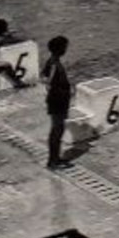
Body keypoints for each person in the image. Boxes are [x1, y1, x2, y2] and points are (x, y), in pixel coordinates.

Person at [42, 36, 73, 169]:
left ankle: (55, 158)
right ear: (60, 49)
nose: (66, 49)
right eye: (65, 47)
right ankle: (53, 160)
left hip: (56, 100)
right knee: (57, 130)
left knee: (57, 129)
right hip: (58, 101)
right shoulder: (55, 64)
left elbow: (43, 76)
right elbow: (49, 81)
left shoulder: (51, 61)